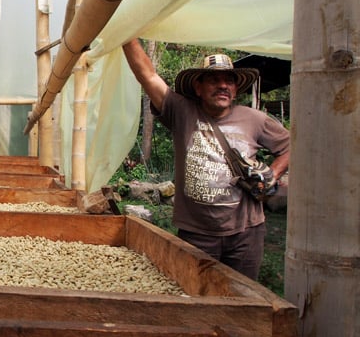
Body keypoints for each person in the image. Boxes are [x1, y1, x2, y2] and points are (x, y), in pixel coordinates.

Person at [121, 38, 290, 280]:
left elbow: (291, 146)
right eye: (214, 79)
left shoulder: (255, 119)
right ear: (198, 87)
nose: (223, 85)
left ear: (235, 88)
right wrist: (127, 35)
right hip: (196, 234)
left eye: (229, 80)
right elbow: (148, 76)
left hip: (246, 233)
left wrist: (273, 174)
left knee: (244, 302)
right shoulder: (181, 111)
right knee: (194, 296)